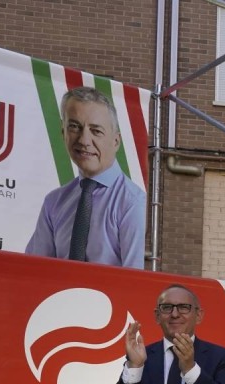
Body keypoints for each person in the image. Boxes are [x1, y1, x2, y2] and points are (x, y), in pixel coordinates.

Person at [25, 86, 146, 267]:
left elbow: (134, 280)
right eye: (74, 127)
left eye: (96, 131)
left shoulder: (133, 204)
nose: (84, 140)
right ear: (63, 133)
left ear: (116, 141)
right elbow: (34, 270)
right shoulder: (54, 203)